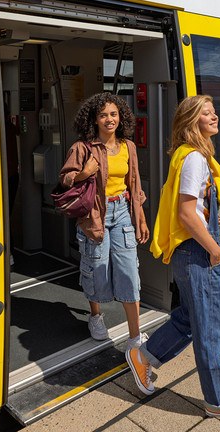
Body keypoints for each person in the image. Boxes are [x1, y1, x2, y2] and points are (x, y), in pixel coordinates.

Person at [125, 95, 220, 420]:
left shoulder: (191, 157)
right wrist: (213, 247)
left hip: (191, 251)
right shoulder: (196, 158)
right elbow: (186, 212)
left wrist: (215, 221)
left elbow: (193, 206)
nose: (215, 118)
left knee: (188, 318)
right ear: (191, 121)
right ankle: (218, 400)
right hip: (198, 254)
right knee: (211, 327)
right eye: (207, 113)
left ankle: (144, 358)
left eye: (214, 113)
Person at [58, 92, 149, 347]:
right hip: (93, 215)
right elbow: (65, 178)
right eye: (103, 115)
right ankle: (96, 316)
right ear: (94, 120)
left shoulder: (128, 146)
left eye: (113, 114)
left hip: (122, 211)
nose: (109, 119)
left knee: (130, 271)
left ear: (121, 116)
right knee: (96, 267)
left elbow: (134, 184)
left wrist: (139, 219)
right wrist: (83, 173)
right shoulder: (82, 147)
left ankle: (134, 336)